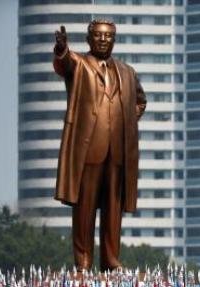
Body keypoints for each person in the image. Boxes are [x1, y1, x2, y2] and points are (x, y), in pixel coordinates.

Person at [52, 20, 147, 270]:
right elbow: (63, 64)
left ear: (114, 40)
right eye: (98, 36)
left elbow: (140, 101)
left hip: (117, 153)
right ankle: (83, 261)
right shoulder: (80, 64)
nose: (103, 40)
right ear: (89, 39)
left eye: (108, 36)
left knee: (113, 210)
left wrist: (124, 121)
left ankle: (111, 260)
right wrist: (61, 49)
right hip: (89, 150)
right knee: (85, 208)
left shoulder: (127, 72)